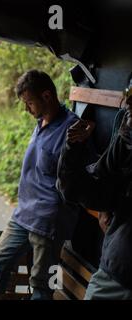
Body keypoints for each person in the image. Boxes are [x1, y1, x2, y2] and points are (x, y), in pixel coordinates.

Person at [0, 70, 80, 300]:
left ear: (47, 96)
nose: (26, 109)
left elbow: (78, 179)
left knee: (41, 284)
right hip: (23, 215)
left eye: (29, 103)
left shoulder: (72, 131)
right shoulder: (40, 122)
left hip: (48, 221)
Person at [56, 86, 132, 299]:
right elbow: (82, 190)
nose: (128, 104)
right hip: (117, 270)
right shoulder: (126, 141)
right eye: (128, 94)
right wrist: (73, 147)